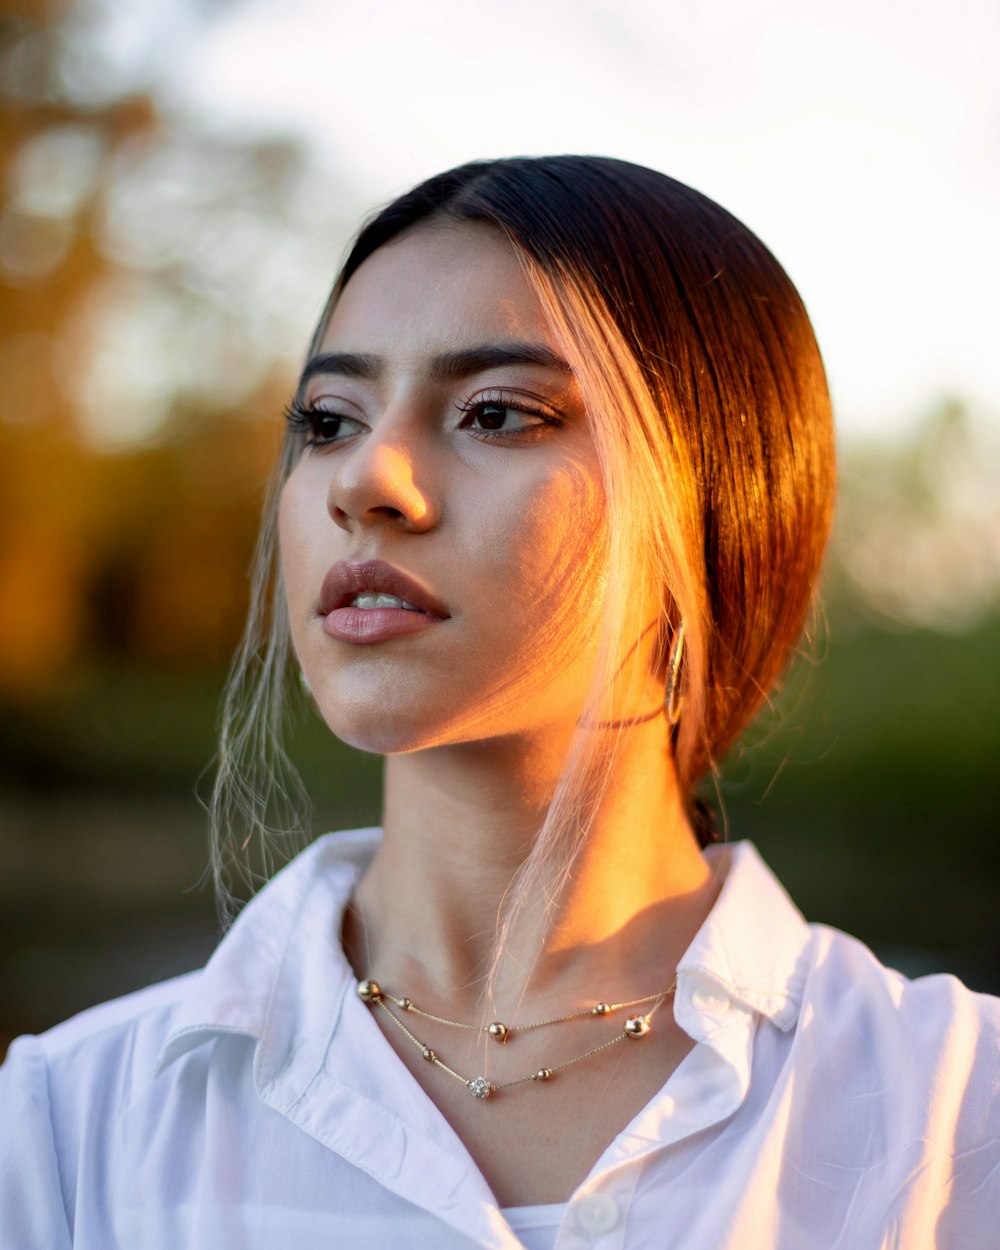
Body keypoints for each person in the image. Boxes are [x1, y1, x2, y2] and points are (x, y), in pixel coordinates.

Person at [1, 156, 996, 1249]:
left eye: (495, 412)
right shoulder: (68, 1130)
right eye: (329, 419)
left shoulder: (956, 1117)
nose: (365, 479)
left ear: (715, 500)